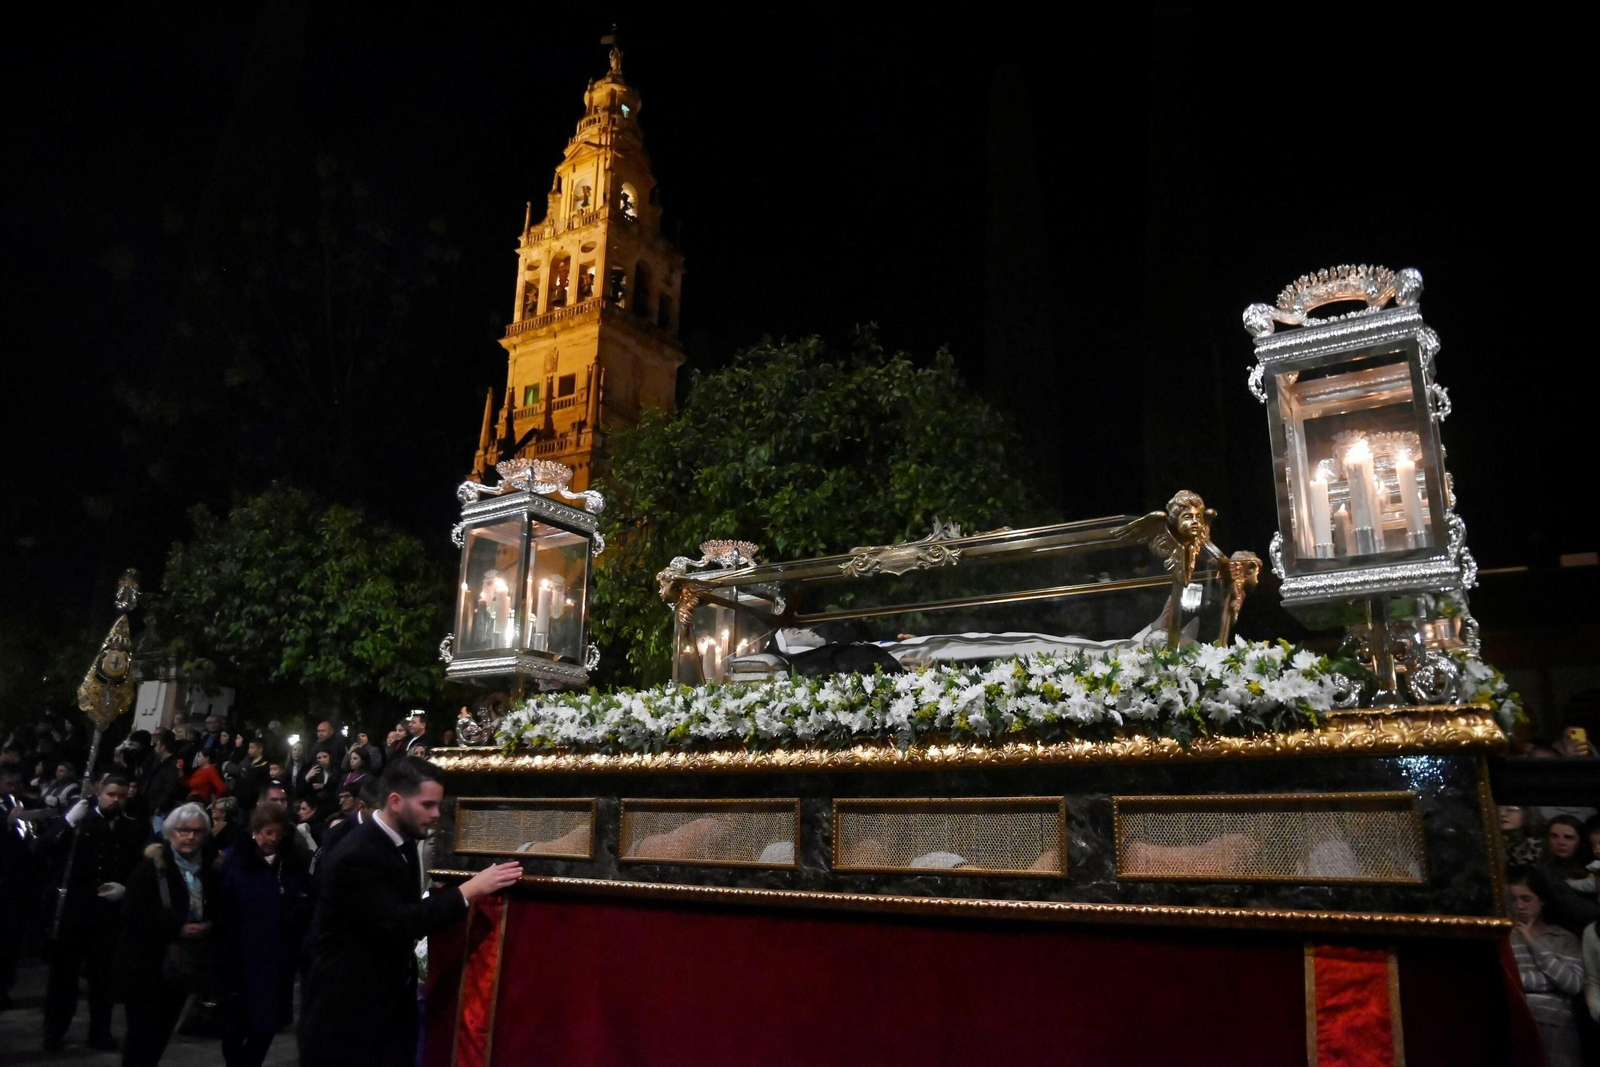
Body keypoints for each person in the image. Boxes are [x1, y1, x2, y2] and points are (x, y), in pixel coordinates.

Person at [299, 758, 521, 1067]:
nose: (435, 815)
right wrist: (471, 889)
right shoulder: (359, 854)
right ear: (394, 801)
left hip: (383, 1009)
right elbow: (402, 921)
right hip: (349, 1015)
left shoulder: (399, 841)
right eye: (427, 805)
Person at [43, 773, 145, 1051]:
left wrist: (127, 888)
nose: (116, 800)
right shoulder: (79, 821)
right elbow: (44, 847)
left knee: (103, 979)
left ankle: (99, 1032)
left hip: (108, 914)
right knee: (64, 977)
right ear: (99, 791)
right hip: (75, 909)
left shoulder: (133, 827)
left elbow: (139, 866)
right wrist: (66, 821)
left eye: (122, 796)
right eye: (111, 794)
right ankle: (54, 1031)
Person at [118, 802, 221, 1067]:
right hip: (149, 962)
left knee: (162, 1030)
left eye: (197, 831)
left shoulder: (212, 865)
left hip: (183, 964)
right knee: (142, 1032)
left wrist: (209, 924)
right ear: (170, 832)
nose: (190, 837)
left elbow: (222, 905)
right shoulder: (152, 866)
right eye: (183, 831)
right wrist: (178, 925)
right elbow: (134, 911)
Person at [217, 804, 310, 1067]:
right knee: (236, 1022)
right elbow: (226, 904)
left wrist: (297, 910)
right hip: (243, 953)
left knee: (267, 1022)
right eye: (267, 833)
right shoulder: (237, 861)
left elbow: (303, 895)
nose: (272, 840)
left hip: (278, 953)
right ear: (255, 832)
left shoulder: (290, 862)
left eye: (278, 834)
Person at [1509, 867, 1585, 1067]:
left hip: (1557, 1026)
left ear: (1541, 900)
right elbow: (1510, 980)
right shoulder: (1507, 936)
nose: (1519, 906)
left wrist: (1535, 944)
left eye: (1526, 899)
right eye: (1514, 899)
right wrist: (1552, 983)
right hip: (1519, 1020)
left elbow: (1573, 983)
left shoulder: (1563, 938)